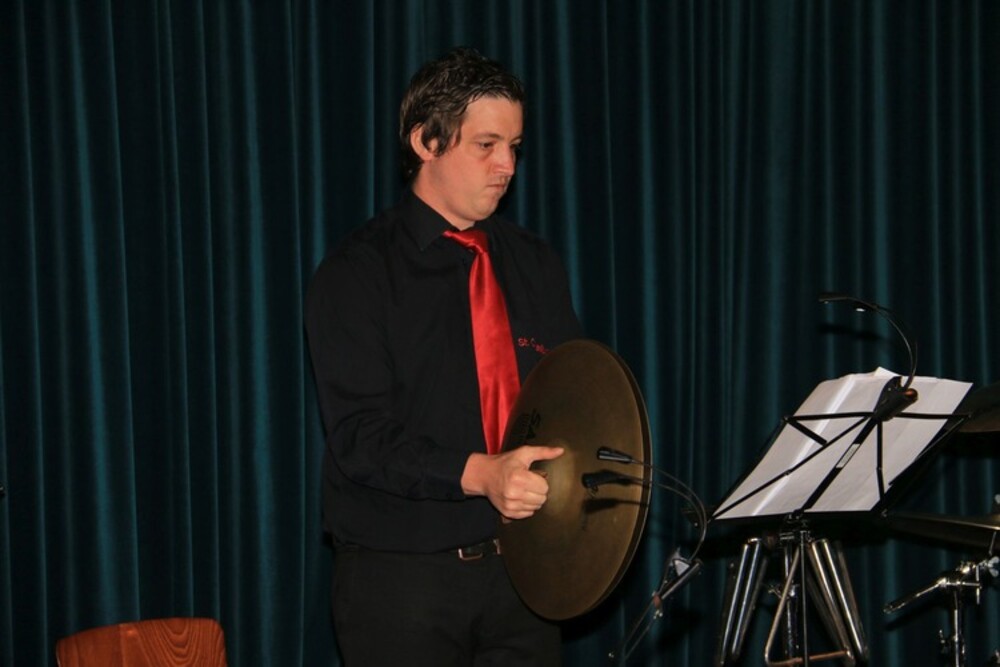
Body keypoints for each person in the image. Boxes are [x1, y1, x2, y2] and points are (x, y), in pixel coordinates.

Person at [305, 47, 582, 666]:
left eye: (515, 146)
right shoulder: (356, 274)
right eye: (487, 145)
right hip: (403, 581)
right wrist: (483, 474)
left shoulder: (534, 263)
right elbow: (359, 438)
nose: (507, 165)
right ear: (427, 141)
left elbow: (572, 395)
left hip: (527, 576)